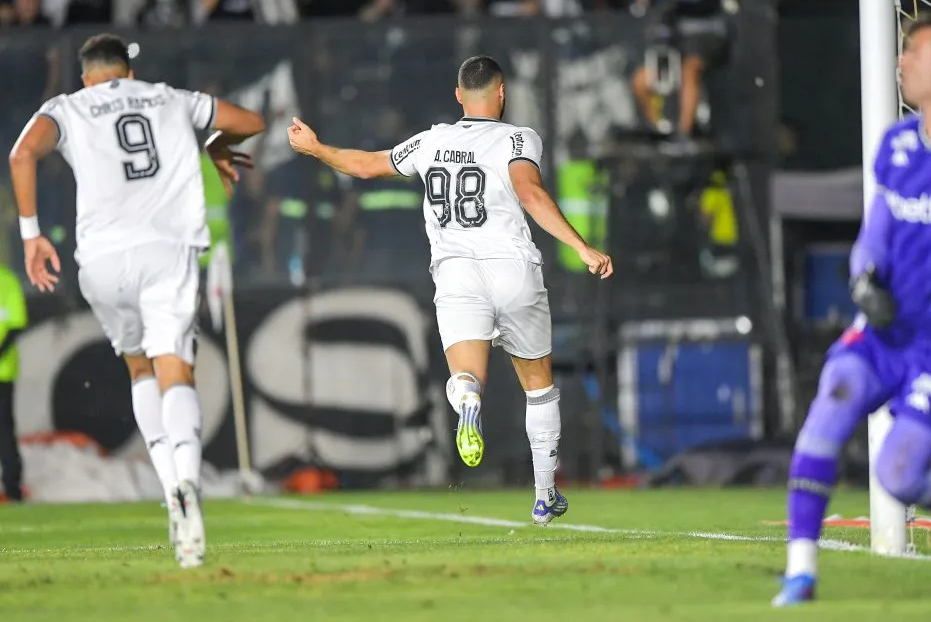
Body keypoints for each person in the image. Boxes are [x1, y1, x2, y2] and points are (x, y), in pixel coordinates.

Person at [286, 55, 613, 524]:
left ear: (459, 95)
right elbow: (530, 194)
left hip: (457, 273)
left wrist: (317, 148)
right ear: (501, 93)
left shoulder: (431, 141)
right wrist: (580, 247)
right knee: (538, 386)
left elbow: (363, 167)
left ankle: (466, 400)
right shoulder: (518, 138)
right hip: (512, 269)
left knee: (467, 375)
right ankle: (544, 496)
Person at [774, 14, 931, 606]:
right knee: (829, 408)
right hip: (886, 331)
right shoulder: (898, 143)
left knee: (899, 475)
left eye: (914, 52)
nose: (901, 61)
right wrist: (863, 279)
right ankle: (800, 573)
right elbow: (874, 234)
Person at [8, 34, 265, 567]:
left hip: (102, 262)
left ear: (86, 77)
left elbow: (22, 154)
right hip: (165, 252)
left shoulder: (68, 107)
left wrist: (32, 234)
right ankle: (187, 489)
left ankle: (170, 487)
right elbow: (250, 121)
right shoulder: (169, 97)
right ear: (128, 72)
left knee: (140, 370)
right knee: (177, 371)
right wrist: (213, 143)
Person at [629, 0, 730, 141]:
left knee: (690, 69)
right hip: (672, 41)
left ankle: (685, 132)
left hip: (705, 35)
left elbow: (704, 1)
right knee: (640, 80)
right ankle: (659, 129)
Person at [0, 262, 26, 502]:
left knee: (4, 430)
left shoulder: (7, 280)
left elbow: (16, 326)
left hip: (2, 372)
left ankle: (12, 488)